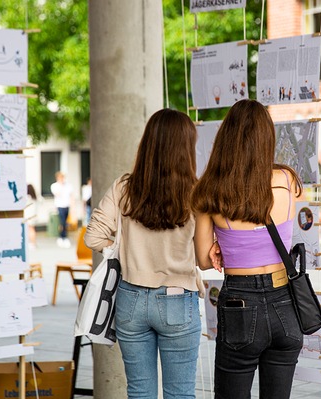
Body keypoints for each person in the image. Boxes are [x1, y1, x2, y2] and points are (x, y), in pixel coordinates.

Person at [85, 108, 208, 398]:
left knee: (140, 392)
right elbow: (205, 252)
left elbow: (93, 237)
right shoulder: (198, 193)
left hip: (131, 300)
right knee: (180, 393)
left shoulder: (125, 187)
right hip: (179, 299)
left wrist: (121, 249)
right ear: (187, 147)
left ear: (148, 144)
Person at [192, 99, 304, 399]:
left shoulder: (209, 190)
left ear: (226, 137)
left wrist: (219, 243)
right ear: (267, 138)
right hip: (285, 303)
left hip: (240, 304)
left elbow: (203, 260)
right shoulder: (287, 180)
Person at [50, 171, 73, 248]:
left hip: (67, 205)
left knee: (65, 222)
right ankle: (62, 237)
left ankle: (63, 236)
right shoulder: (55, 186)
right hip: (60, 206)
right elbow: (57, 193)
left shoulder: (68, 185)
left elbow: (71, 196)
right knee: (62, 222)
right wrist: (61, 185)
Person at [25, 184, 38, 250]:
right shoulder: (35, 197)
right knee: (32, 229)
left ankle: (32, 243)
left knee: (30, 229)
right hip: (34, 215)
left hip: (29, 215)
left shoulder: (27, 197)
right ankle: (33, 243)